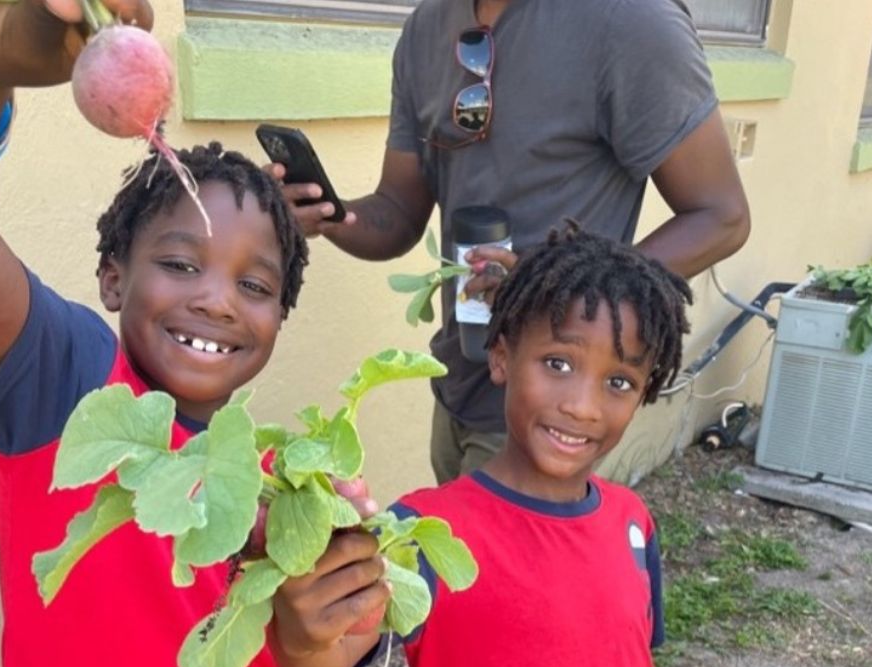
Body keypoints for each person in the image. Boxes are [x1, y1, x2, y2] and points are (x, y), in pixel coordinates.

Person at [0, 0, 358, 667]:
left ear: (281, 313)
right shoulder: (69, 382)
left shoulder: (280, 476)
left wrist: (309, 633)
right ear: (114, 278)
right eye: (182, 265)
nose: (216, 299)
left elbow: (314, 663)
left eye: (256, 286)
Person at [277, 0, 750, 484]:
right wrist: (333, 217)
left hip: (551, 410)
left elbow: (721, 217)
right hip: (458, 382)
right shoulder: (426, 28)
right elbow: (398, 210)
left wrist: (548, 290)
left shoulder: (631, 22)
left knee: (503, 559)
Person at [269, 225, 692, 667]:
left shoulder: (633, 520)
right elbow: (320, 665)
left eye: (619, 383)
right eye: (558, 363)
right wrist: (302, 634)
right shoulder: (424, 530)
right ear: (501, 358)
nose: (582, 407)